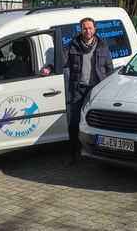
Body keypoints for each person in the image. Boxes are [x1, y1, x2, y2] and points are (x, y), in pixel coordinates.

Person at [41, 17, 114, 165]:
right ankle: (72, 154)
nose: (88, 31)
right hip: (79, 89)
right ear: (81, 29)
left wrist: (111, 86)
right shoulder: (73, 45)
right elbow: (60, 59)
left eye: (90, 28)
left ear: (95, 29)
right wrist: (49, 67)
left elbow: (109, 67)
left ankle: (102, 154)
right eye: (85, 28)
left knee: (100, 122)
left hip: (97, 90)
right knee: (74, 122)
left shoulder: (102, 45)